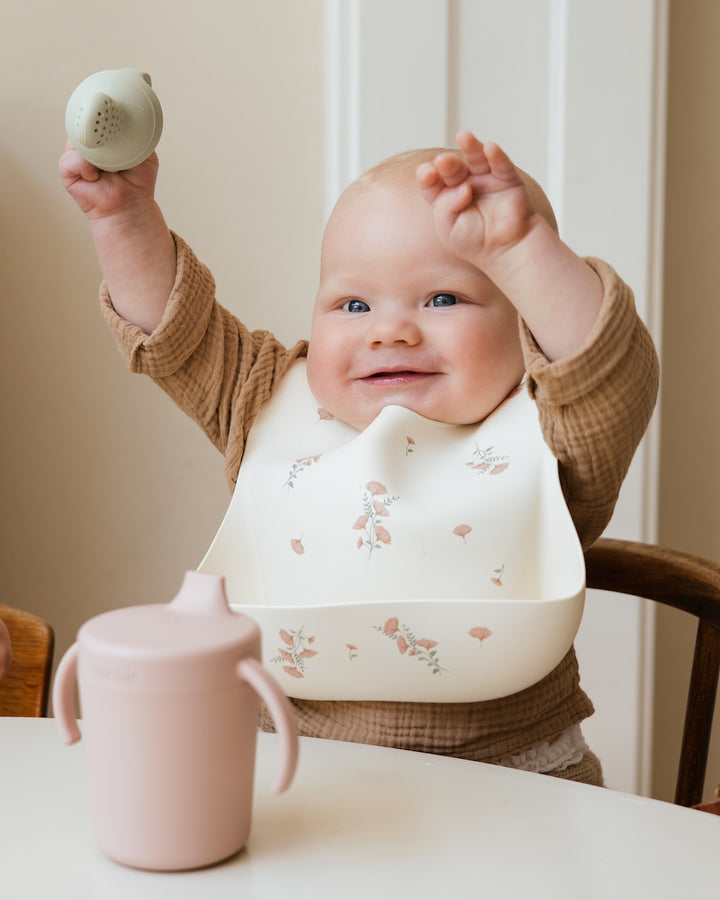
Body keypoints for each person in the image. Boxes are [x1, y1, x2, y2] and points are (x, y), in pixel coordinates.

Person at [60, 131, 659, 785]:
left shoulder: (552, 429)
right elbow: (179, 335)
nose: (390, 329)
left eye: (442, 299)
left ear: (526, 325)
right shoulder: (265, 399)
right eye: (353, 305)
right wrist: (121, 217)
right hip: (302, 777)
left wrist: (524, 251)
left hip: (514, 780)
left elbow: (606, 372)